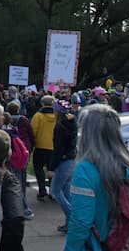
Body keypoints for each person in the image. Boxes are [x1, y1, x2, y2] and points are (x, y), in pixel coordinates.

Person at [64, 104, 129, 251]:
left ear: (87, 134)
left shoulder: (85, 170)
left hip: (102, 244)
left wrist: (70, 248)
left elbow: (81, 223)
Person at [49, 99, 78, 233]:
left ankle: (73, 218)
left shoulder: (59, 128)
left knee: (55, 191)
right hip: (72, 160)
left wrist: (51, 167)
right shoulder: (72, 124)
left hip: (63, 161)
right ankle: (69, 223)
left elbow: (58, 150)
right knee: (66, 192)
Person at [30, 95, 56, 200]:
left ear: (42, 104)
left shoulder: (38, 116)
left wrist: (33, 142)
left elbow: (33, 131)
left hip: (40, 146)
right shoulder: (57, 116)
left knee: (38, 168)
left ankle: (42, 190)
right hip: (54, 147)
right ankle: (53, 191)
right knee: (52, 169)